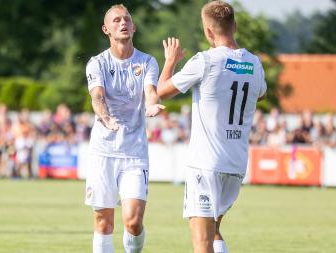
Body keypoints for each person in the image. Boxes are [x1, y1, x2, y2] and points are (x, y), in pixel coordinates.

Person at [157, 1, 267, 253]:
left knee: (201, 242)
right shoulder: (254, 63)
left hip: (206, 164)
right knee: (214, 230)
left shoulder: (205, 61)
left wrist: (170, 61)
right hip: (236, 164)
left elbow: (161, 92)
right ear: (235, 26)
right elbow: (259, 94)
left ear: (208, 32)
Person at [85, 4, 165, 253]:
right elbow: (97, 97)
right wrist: (106, 117)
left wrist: (152, 106)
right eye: (116, 20)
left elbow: (151, 92)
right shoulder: (96, 63)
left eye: (127, 19)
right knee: (103, 221)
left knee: (132, 221)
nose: (123, 23)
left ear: (134, 27)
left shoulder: (147, 61)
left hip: (134, 153)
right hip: (103, 151)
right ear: (106, 29)